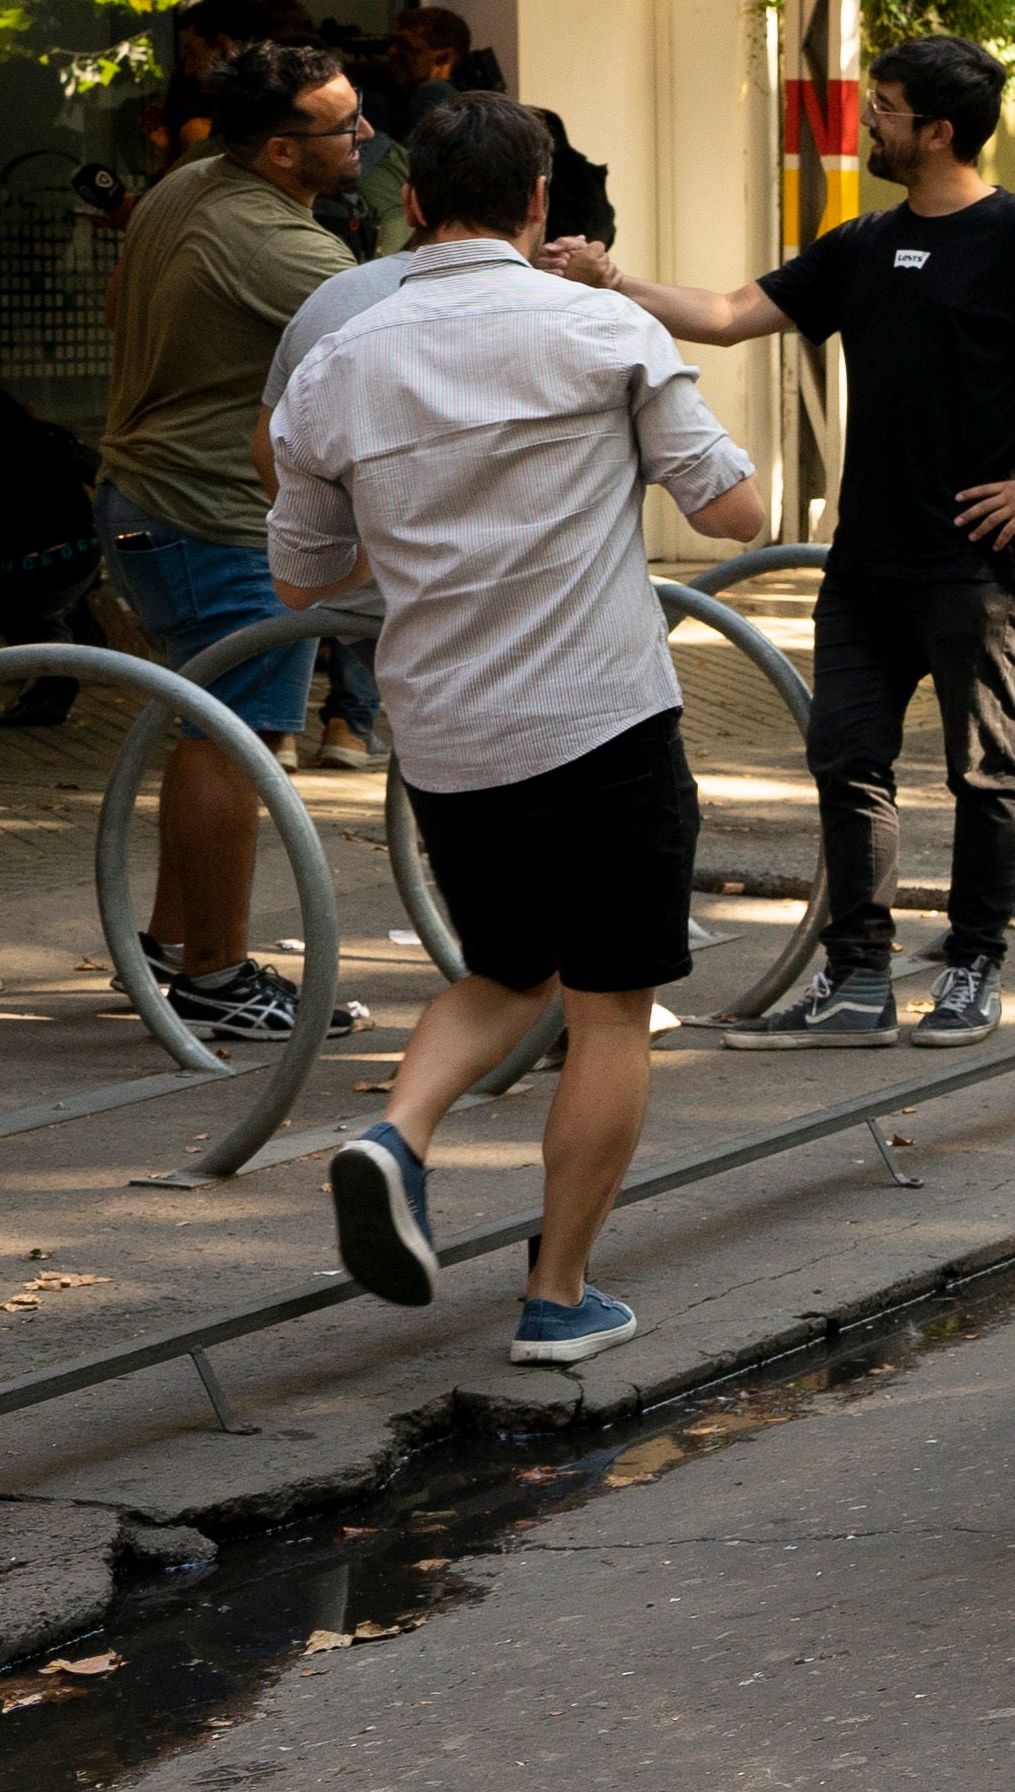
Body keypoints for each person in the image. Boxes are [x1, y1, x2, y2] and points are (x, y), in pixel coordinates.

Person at [274, 94, 768, 1366]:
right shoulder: (603, 329)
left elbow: (302, 579)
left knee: (504, 969)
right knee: (610, 1004)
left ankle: (396, 1134)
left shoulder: (342, 361)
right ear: (541, 200)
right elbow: (734, 515)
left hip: (444, 735)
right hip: (602, 717)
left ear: (412, 206)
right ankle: (559, 1296)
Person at [555, 31, 1015, 1049]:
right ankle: (859, 976)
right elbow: (735, 313)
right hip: (866, 562)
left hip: (973, 562)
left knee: (984, 770)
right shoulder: (863, 243)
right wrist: (612, 283)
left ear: (939, 130)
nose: (868, 117)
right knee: (846, 758)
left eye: (885, 105)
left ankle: (972, 966)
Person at [96, 40, 362, 1041]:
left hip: (149, 497)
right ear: (285, 152)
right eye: (345, 125)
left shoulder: (189, 183)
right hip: (208, 513)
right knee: (242, 741)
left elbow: (121, 303)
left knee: (213, 726)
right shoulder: (285, 250)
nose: (367, 136)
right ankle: (215, 976)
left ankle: (168, 946)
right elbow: (403, 340)